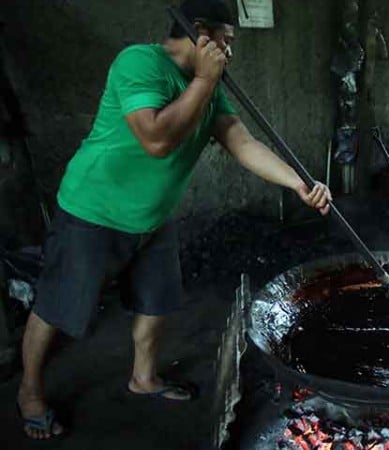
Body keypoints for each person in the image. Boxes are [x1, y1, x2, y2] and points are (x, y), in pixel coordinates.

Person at [16, 0, 331, 440]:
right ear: (200, 32)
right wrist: (203, 79)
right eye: (227, 41)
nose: (230, 53)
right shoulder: (139, 63)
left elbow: (241, 143)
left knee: (156, 302)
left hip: (154, 217)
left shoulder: (212, 89)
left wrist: (297, 182)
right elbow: (156, 139)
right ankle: (29, 391)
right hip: (94, 211)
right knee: (56, 306)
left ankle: (143, 378)